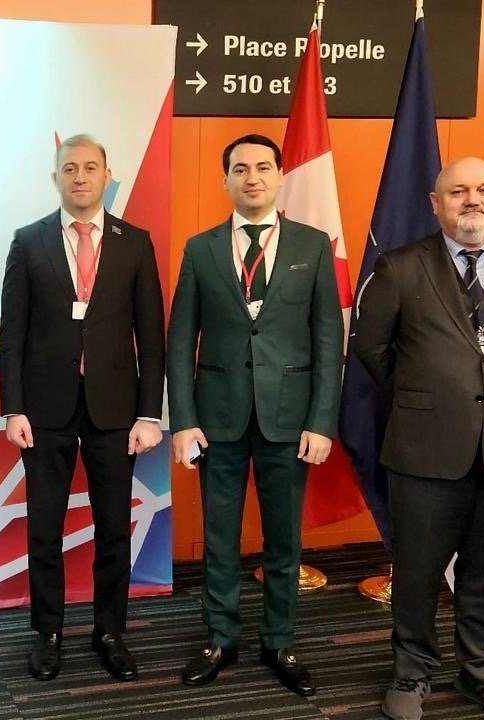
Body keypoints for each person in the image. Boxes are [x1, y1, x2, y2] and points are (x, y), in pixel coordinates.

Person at [353, 157, 484, 720]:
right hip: (424, 449)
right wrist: (428, 395)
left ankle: (483, 674)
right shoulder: (400, 266)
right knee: (417, 572)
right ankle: (411, 672)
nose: (472, 199)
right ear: (436, 203)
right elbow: (372, 348)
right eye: (458, 190)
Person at [167, 134, 342, 697]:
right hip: (216, 419)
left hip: (289, 420)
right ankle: (220, 638)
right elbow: (180, 340)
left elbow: (328, 339)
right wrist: (183, 420)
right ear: (226, 180)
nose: (252, 177)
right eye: (240, 169)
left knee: (283, 542)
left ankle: (279, 640)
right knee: (219, 538)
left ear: (279, 175)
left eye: (263, 167)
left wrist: (321, 421)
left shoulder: (313, 246)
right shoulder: (201, 249)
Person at [0, 134, 165, 683]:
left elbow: (152, 336)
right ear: (56, 178)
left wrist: (149, 414)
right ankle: (47, 632)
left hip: (115, 412)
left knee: (113, 528)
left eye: (90, 167)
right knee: (44, 528)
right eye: (69, 168)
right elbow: (12, 334)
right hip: (44, 410)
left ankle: (109, 631)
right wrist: (13, 409)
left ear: (106, 176)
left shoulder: (134, 242)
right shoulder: (29, 241)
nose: (80, 177)